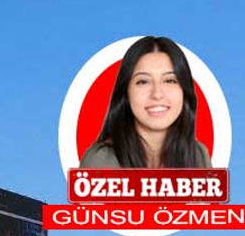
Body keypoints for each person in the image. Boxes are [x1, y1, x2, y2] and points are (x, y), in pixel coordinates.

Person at [80, 36, 212, 170]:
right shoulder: (101, 160)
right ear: (126, 91)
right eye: (143, 82)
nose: (157, 94)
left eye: (170, 80)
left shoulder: (199, 156)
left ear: (185, 90)